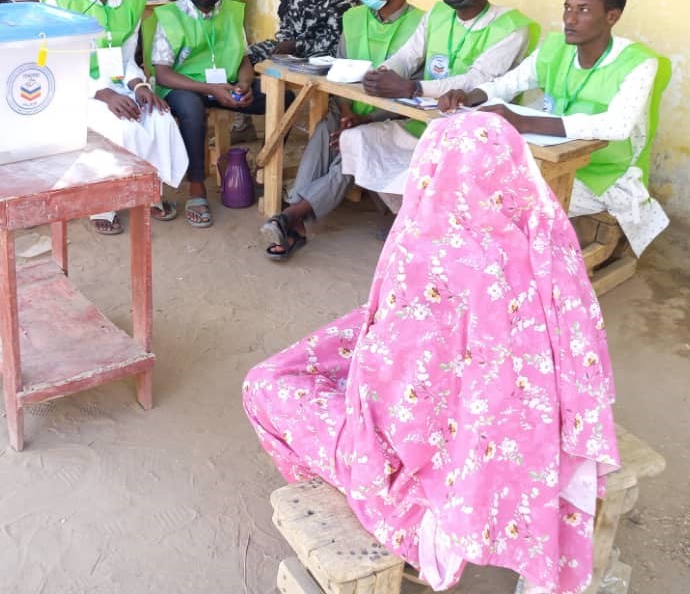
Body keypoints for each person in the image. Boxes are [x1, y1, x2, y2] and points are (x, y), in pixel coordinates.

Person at [243, 111, 619, 594]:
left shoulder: (430, 255)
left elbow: (401, 408)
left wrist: (372, 346)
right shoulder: (549, 240)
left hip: (440, 460)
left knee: (266, 383)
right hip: (528, 434)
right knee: (342, 345)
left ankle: (405, 521)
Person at [439, 0, 671, 256]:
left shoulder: (639, 63)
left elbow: (617, 126)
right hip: (549, 157)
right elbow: (510, 83)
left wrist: (524, 122)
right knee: (469, 177)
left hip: (603, 173)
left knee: (505, 201)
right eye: (567, 8)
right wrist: (470, 96)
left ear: (612, 17)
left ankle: (512, 270)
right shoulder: (556, 46)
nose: (570, 19)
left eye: (583, 10)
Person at [340, 0, 539, 208]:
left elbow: (478, 80)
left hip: (474, 133)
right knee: (358, 138)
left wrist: (413, 88)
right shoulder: (439, 13)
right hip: (426, 121)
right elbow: (408, 55)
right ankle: (410, 219)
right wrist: (383, 73)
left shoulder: (512, 28)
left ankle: (426, 225)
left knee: (431, 170)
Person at [262, 0, 423, 260]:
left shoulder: (419, 26)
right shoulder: (354, 17)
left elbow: (410, 90)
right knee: (325, 130)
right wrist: (348, 113)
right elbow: (339, 71)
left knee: (350, 146)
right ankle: (295, 220)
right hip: (347, 107)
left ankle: (292, 217)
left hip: (389, 117)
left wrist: (364, 120)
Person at [44, 0, 188, 234]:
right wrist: (105, 94)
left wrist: (141, 87)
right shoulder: (58, 1)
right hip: (78, 90)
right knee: (121, 126)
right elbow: (59, 67)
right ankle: (103, 203)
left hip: (120, 82)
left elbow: (126, 58)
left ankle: (148, 192)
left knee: (158, 116)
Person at [152, 0, 286, 228]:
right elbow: (163, 73)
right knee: (191, 109)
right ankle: (197, 187)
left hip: (225, 86)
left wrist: (245, 84)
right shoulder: (171, 16)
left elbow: (245, 59)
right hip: (184, 85)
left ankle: (265, 171)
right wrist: (207, 88)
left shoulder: (231, 13)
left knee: (282, 97)